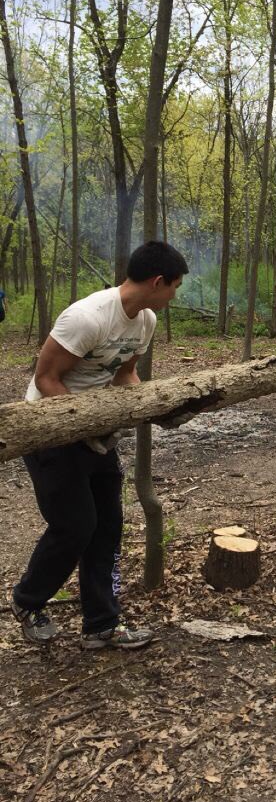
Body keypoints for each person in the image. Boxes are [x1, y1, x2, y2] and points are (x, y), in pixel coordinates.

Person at [10, 240, 189, 649]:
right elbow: (46, 380)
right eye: (174, 287)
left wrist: (150, 406)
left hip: (96, 433)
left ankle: (101, 625)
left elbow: (124, 374)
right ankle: (27, 600)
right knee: (75, 525)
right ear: (158, 281)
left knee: (107, 527)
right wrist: (81, 423)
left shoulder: (145, 321)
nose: (174, 296)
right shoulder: (87, 317)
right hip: (48, 429)